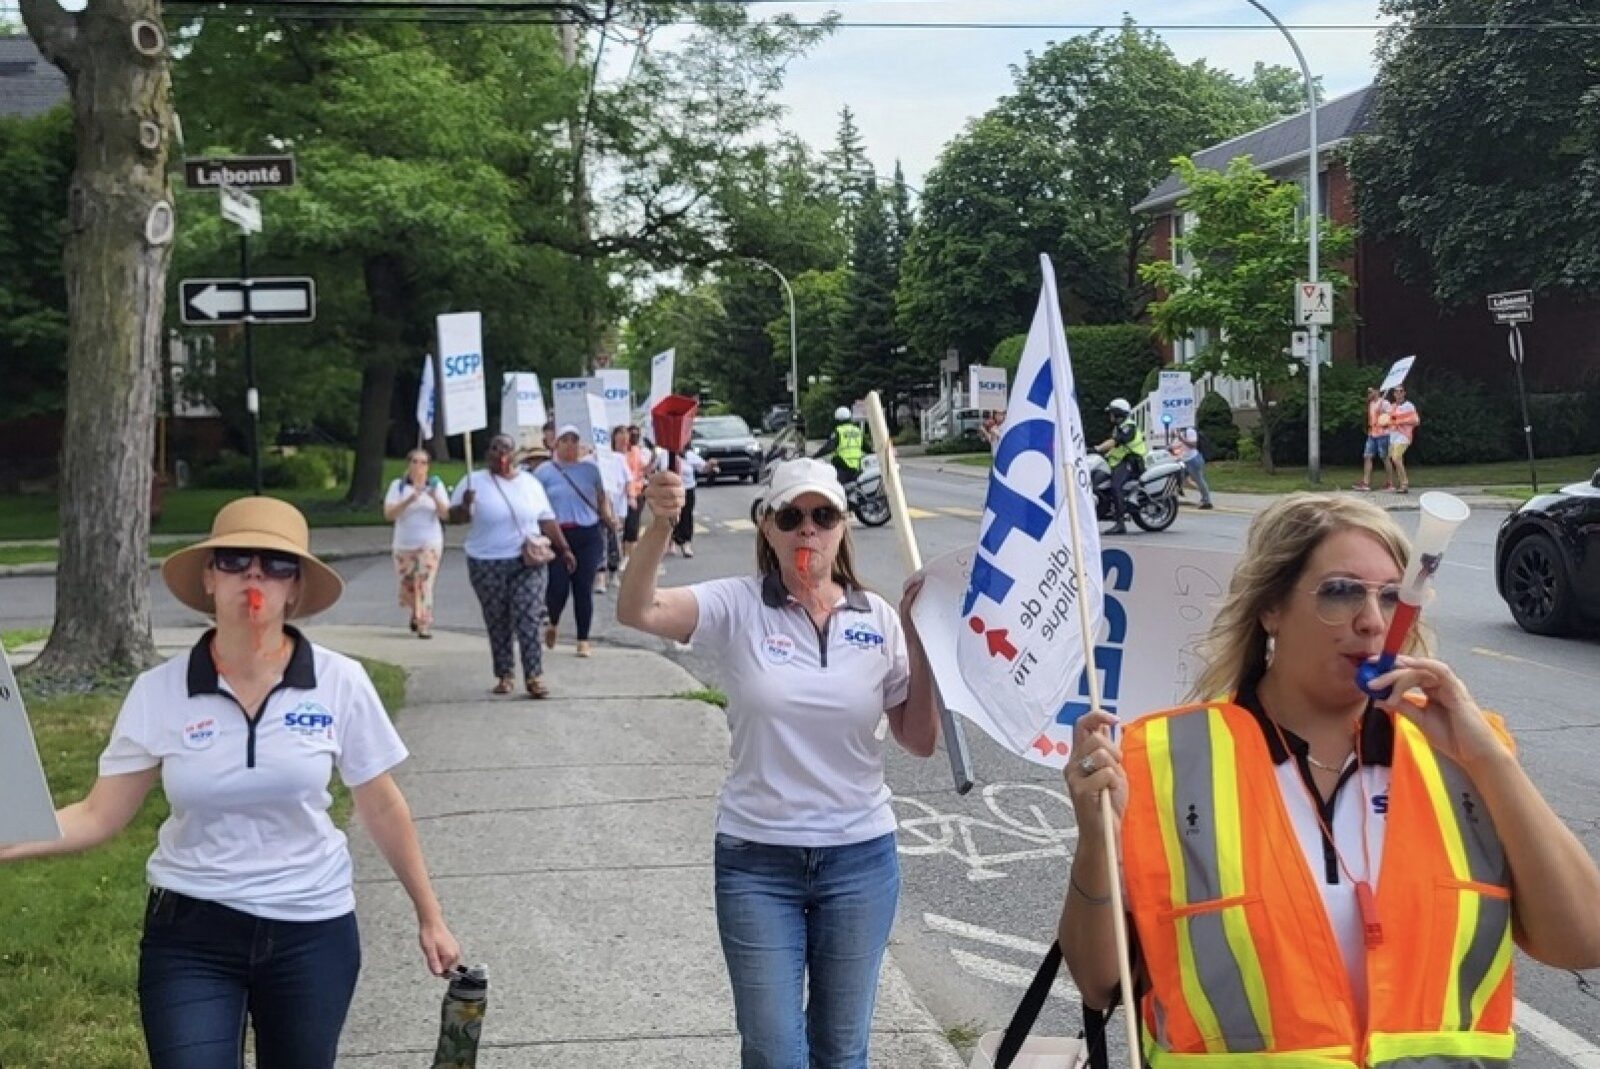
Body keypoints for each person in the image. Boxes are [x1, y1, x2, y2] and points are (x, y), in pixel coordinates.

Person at [1058, 493, 1600, 1066]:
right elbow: (1101, 983)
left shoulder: (1465, 753)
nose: (1372, 620)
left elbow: (1582, 941)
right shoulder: (1164, 757)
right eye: (1340, 593)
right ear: (1271, 607)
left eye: (1392, 596)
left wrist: (1490, 759)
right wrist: (1096, 840)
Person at [0, 497, 463, 1069]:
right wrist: (10, 839)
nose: (254, 575)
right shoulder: (159, 691)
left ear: (295, 589)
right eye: (236, 559)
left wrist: (430, 915)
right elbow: (100, 814)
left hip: (311, 930)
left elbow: (382, 805)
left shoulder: (341, 683)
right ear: (209, 577)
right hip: (192, 932)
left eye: (275, 564)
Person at [617, 458, 942, 1069]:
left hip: (859, 860)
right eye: (792, 516)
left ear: (842, 526)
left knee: (842, 1052)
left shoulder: (876, 618)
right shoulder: (737, 606)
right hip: (757, 861)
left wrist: (921, 639)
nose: (807, 530)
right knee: (773, 1053)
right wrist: (660, 526)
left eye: (822, 516)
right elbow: (638, 611)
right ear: (767, 526)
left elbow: (919, 740)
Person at [451, 432, 574, 698]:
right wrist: (464, 505)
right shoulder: (474, 482)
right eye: (496, 449)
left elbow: (546, 519)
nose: (501, 455)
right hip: (486, 562)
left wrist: (564, 548)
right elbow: (455, 519)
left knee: (528, 616)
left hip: (527, 560)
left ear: (514, 455)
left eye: (506, 450)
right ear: (488, 454)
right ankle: (505, 674)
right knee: (498, 619)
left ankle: (534, 676)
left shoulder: (529, 484)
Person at [534, 425, 619, 658]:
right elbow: (535, 505)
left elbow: (602, 500)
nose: (570, 446)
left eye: (574, 441)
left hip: (587, 534)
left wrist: (609, 518)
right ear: (556, 444)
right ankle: (553, 621)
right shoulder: (544, 471)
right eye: (565, 441)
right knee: (558, 588)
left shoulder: (591, 470)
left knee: (583, 589)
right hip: (557, 535)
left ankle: (583, 639)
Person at [383, 449, 450, 638]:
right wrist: (409, 499)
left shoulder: (436, 486)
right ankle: (415, 612)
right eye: (414, 462)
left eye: (423, 463)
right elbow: (389, 514)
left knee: (424, 583)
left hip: (429, 542)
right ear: (408, 464)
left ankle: (424, 623)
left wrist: (433, 497)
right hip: (404, 543)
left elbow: (445, 513)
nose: (418, 467)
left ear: (428, 467)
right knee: (408, 586)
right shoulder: (398, 487)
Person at [1095, 397, 1147, 535]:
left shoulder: (1129, 427)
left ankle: (1120, 524)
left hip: (1131, 462)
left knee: (1115, 486)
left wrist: (1097, 448)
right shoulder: (1119, 427)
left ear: (1118, 414)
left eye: (1112, 413)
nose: (1110, 415)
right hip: (1120, 462)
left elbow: (1114, 442)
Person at [593, 427, 633, 596]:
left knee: (614, 539)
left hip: (617, 506)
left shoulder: (618, 458)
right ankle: (600, 576)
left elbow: (628, 480)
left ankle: (613, 572)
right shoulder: (591, 459)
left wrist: (630, 497)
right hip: (598, 506)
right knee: (601, 539)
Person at [668, 443, 713, 558]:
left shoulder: (690, 456)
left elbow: (703, 467)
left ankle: (686, 543)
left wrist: (711, 465)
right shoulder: (665, 455)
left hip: (687, 489)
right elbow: (653, 469)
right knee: (672, 516)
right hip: (671, 490)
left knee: (686, 515)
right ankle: (671, 540)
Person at [620, 424, 651, 571]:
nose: (634, 437)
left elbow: (644, 469)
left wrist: (654, 457)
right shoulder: (619, 453)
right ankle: (620, 555)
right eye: (631, 434)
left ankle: (629, 557)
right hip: (620, 494)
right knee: (620, 527)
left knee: (632, 526)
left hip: (637, 492)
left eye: (636, 435)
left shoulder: (639, 451)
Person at [1354, 386, 1396, 492]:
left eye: (1370, 392)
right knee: (1367, 456)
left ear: (1377, 392)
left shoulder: (1385, 403)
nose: (1368, 394)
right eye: (1368, 392)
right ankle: (1366, 483)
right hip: (1372, 434)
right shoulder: (1371, 404)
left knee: (1385, 458)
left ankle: (1390, 484)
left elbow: (1392, 417)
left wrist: (1383, 417)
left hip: (1383, 435)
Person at [813, 405, 865, 486]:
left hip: (843, 467)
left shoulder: (839, 431)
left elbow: (829, 448)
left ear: (837, 419)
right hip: (857, 467)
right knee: (855, 489)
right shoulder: (857, 431)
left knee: (835, 488)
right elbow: (866, 447)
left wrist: (814, 456)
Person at [1170, 424, 1214, 510]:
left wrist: (1181, 439)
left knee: (1199, 479)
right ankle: (1173, 497)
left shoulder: (1190, 431)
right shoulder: (1180, 431)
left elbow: (1193, 445)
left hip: (1193, 459)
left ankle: (1207, 501)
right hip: (1184, 461)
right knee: (1178, 478)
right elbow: (1176, 445)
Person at [1387, 386, 1420, 493]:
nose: (1398, 393)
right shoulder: (1392, 407)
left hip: (1404, 435)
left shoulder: (1409, 406)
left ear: (1404, 393)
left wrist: (1401, 421)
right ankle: (1402, 484)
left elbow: (1416, 421)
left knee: (1396, 458)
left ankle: (1404, 483)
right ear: (1394, 394)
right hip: (1393, 435)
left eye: (1401, 391)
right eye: (1396, 391)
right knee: (1396, 459)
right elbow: (1387, 420)